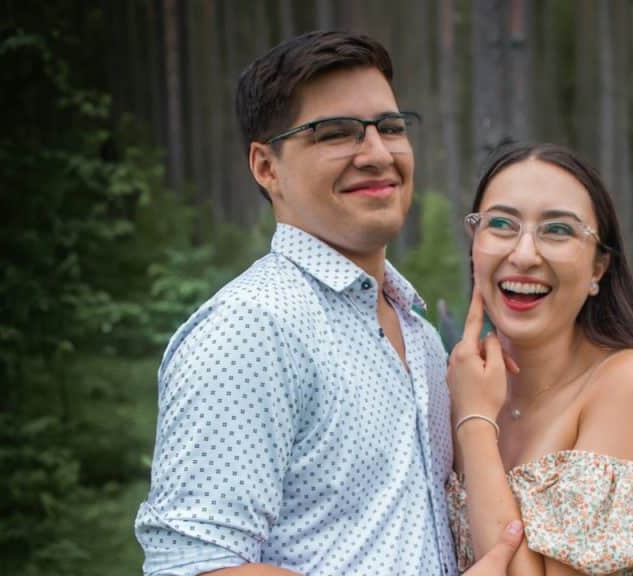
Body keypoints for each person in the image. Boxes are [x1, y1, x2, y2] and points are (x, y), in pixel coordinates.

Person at [134, 31, 522, 576]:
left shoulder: (422, 338)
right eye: (336, 134)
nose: (378, 153)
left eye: (390, 128)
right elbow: (193, 565)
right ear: (267, 167)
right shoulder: (251, 328)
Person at [445, 143, 633, 575]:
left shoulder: (631, 384)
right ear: (475, 246)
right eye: (500, 224)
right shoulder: (454, 382)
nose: (525, 254)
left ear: (598, 269)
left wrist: (475, 422)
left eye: (558, 230)